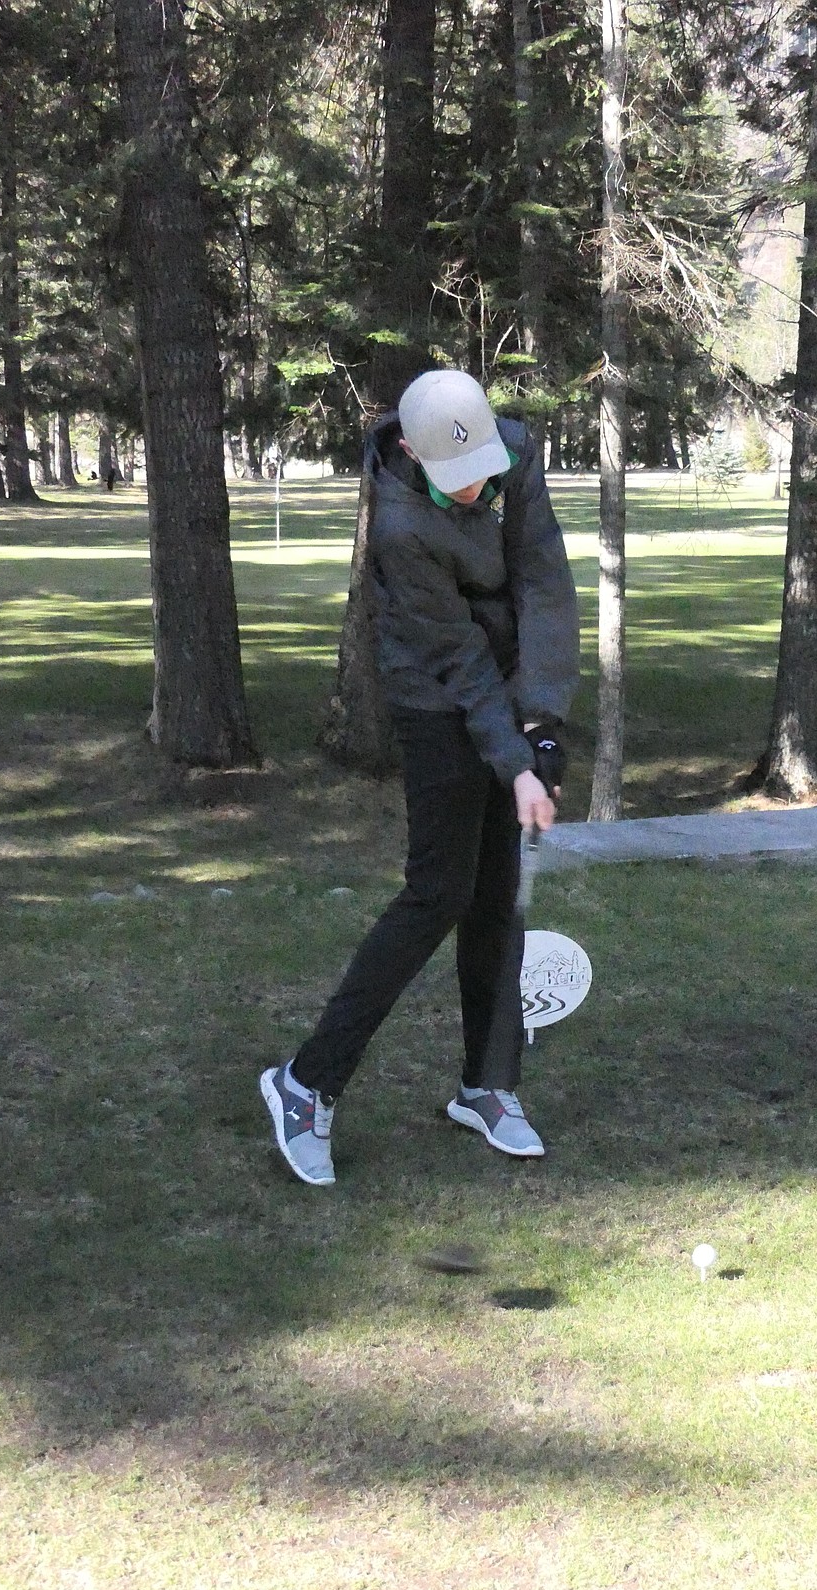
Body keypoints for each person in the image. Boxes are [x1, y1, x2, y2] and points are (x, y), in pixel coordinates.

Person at [260, 369, 580, 1186]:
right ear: (411, 449)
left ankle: (487, 1084)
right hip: (435, 691)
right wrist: (513, 763)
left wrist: (540, 721)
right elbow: (459, 660)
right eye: (455, 479)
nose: (473, 489)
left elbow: (544, 582)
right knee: (439, 890)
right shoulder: (402, 523)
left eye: (480, 473)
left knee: (498, 891)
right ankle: (305, 1083)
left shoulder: (515, 454)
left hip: (505, 680)